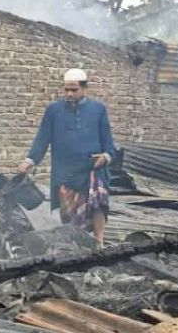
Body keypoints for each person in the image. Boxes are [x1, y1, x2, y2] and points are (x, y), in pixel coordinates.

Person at [17, 68, 115, 246]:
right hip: (65, 171)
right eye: (66, 90)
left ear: (85, 88)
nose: (69, 93)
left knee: (98, 202)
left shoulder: (98, 110)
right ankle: (76, 244)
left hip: (93, 168)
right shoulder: (53, 110)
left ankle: (99, 242)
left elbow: (109, 143)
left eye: (74, 90)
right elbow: (42, 138)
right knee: (69, 213)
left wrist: (106, 157)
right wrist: (29, 160)